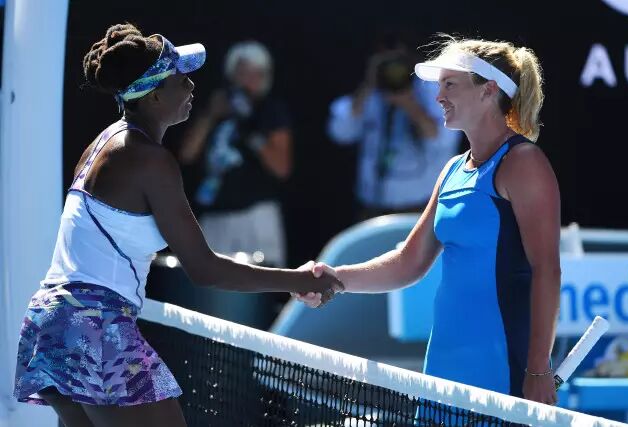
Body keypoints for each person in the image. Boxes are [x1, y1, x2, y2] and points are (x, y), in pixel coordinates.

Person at [12, 24, 341, 427]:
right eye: (180, 78)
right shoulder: (149, 160)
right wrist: (298, 280)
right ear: (154, 95)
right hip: (93, 326)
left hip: (51, 324)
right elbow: (205, 270)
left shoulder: (105, 143)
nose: (191, 85)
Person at [300, 36, 561, 406]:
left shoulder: (524, 164)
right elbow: (408, 262)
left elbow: (546, 270)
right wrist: (335, 279)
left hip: (501, 367)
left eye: (449, 84)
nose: (438, 96)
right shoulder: (453, 169)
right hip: (441, 368)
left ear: (488, 90)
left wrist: (537, 370)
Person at [179, 41, 291, 267]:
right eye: (242, 73)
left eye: (255, 74)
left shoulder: (270, 111)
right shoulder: (215, 108)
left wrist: (249, 128)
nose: (247, 81)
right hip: (215, 215)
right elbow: (187, 155)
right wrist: (210, 116)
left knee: (262, 280)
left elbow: (282, 168)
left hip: (255, 215)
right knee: (208, 279)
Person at [327, 38, 461, 220]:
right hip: (372, 209)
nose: (394, 69)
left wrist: (409, 103)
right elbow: (341, 133)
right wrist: (370, 83)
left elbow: (442, 140)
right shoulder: (368, 94)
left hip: (421, 210)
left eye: (399, 61)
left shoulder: (435, 92)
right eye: (387, 61)